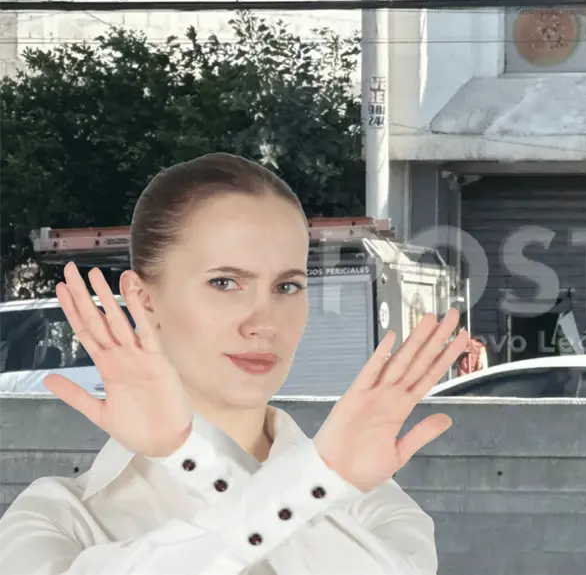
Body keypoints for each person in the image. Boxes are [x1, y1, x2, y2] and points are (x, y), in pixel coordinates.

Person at [0, 152, 469, 574]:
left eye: (287, 287)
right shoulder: (58, 518)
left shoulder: (375, 507)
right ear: (144, 301)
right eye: (225, 283)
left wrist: (189, 456)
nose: (263, 323)